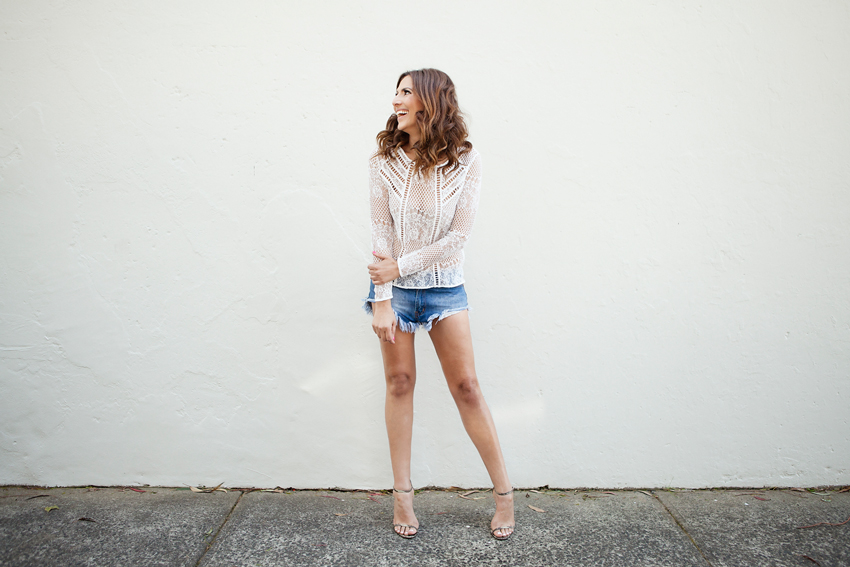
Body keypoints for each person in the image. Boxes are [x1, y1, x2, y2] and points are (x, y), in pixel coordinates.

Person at [364, 68, 515, 541]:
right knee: (399, 384)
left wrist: (400, 267)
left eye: (406, 92)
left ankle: (505, 495)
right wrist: (382, 300)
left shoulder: (465, 160)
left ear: (430, 101)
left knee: (467, 387)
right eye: (396, 92)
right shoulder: (383, 161)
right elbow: (381, 234)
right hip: (395, 294)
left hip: (446, 289)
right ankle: (402, 496)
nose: (396, 100)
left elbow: (458, 237)